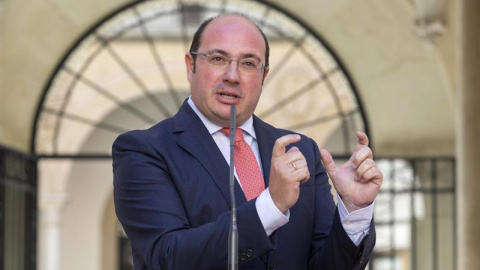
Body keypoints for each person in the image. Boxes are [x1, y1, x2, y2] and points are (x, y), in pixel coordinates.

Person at [113, 13, 383, 270]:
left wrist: (353, 210)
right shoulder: (144, 151)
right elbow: (167, 258)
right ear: (191, 65)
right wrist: (271, 206)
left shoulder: (300, 151)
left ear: (263, 76)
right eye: (218, 58)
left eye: (249, 63)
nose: (232, 76)